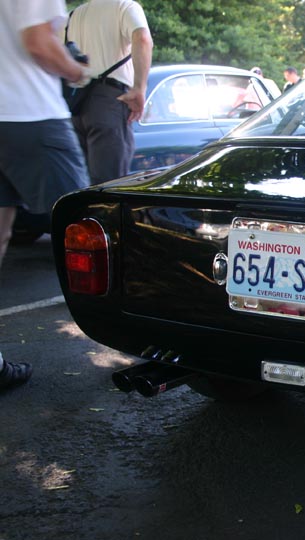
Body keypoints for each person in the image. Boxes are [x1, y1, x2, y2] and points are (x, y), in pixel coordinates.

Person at [1, 0, 91, 390]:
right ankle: (141, 338)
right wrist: (76, 72)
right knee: (91, 219)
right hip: (31, 117)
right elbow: (39, 42)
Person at [66, 0, 153, 185]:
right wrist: (139, 88)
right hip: (109, 101)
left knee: (82, 187)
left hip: (77, 105)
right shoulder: (125, 6)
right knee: (110, 185)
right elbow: (142, 38)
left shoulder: (74, 15)